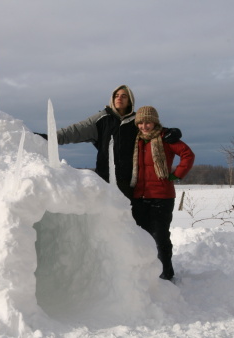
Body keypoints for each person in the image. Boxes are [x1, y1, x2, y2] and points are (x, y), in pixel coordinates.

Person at [36, 85, 182, 200]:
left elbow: (153, 129)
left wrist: (170, 132)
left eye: (124, 96)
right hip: (104, 180)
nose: (119, 98)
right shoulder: (101, 119)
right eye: (116, 95)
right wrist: (49, 137)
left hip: (130, 183)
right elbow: (75, 131)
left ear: (130, 100)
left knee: (129, 225)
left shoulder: (137, 121)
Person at [130, 106, 195, 281]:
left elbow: (187, 154)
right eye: (141, 122)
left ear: (155, 122)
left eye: (148, 122)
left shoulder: (165, 138)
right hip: (139, 196)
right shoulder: (135, 140)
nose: (145, 126)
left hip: (162, 196)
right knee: (141, 236)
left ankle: (166, 273)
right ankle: (145, 272)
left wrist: (176, 174)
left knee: (160, 236)